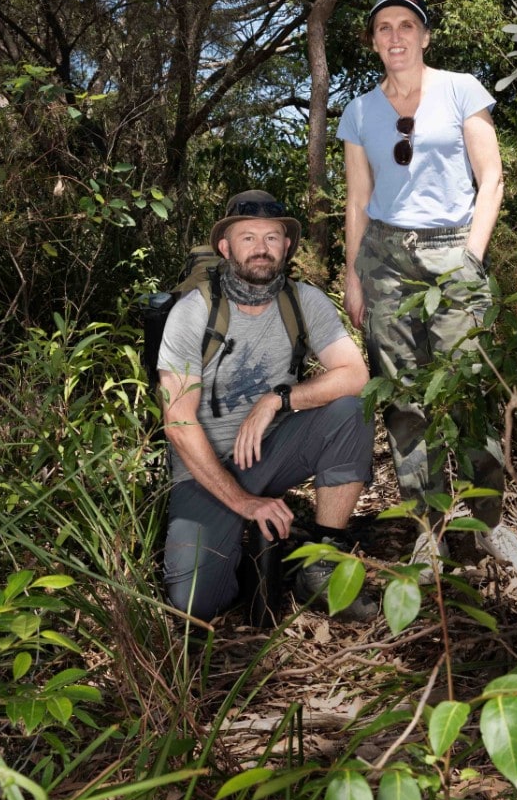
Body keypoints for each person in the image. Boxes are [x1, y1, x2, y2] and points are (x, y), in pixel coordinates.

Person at [337, 0, 517, 579]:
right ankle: (429, 533)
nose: (394, 36)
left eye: (405, 26)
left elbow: (492, 176)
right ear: (373, 41)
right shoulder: (359, 111)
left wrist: (471, 258)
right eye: (382, 28)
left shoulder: (461, 89)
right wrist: (353, 274)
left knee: (470, 392)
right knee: (403, 402)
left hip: (454, 249)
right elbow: (356, 200)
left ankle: (490, 526)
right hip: (386, 259)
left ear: (424, 36)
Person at [157, 189, 377, 623]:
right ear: (225, 247)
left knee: (352, 409)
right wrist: (244, 504)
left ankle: (321, 558)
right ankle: (238, 551)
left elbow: (355, 374)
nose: (261, 248)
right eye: (248, 238)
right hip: (204, 470)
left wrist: (277, 399)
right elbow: (179, 423)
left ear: (287, 245)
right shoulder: (193, 311)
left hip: (270, 451)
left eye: (272, 238)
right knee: (197, 604)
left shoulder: (302, 300)